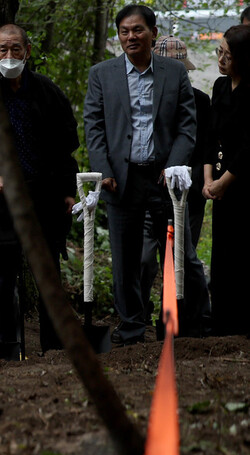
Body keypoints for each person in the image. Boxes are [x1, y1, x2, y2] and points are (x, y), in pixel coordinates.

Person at [0, 24, 79, 354]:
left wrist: (68, 189)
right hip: (0, 203)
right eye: (3, 50)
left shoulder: (48, 93)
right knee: (1, 277)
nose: (10, 56)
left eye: (16, 49)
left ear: (27, 50)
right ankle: (4, 349)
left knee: (48, 276)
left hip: (45, 200)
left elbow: (65, 147)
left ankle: (54, 347)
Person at [84, 4, 196, 346]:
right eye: (124, 32)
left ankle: (176, 323)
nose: (131, 37)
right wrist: (103, 169)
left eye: (138, 30)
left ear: (153, 33)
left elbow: (187, 125)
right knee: (125, 257)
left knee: (176, 253)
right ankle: (132, 325)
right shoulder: (102, 73)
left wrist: (173, 165)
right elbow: (94, 125)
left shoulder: (174, 73)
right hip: (122, 178)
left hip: (164, 179)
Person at [139, 35, 212, 337]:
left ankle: (196, 319)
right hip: (148, 192)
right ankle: (138, 317)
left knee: (185, 259)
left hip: (186, 195)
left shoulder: (199, 100)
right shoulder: (142, 96)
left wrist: (195, 184)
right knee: (144, 259)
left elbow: (204, 145)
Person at [204, 25, 250, 335]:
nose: (221, 59)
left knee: (244, 251)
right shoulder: (221, 87)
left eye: (228, 55)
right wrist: (209, 178)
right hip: (219, 183)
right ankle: (222, 322)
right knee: (222, 252)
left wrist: (225, 181)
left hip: (243, 184)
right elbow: (210, 135)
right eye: (219, 52)